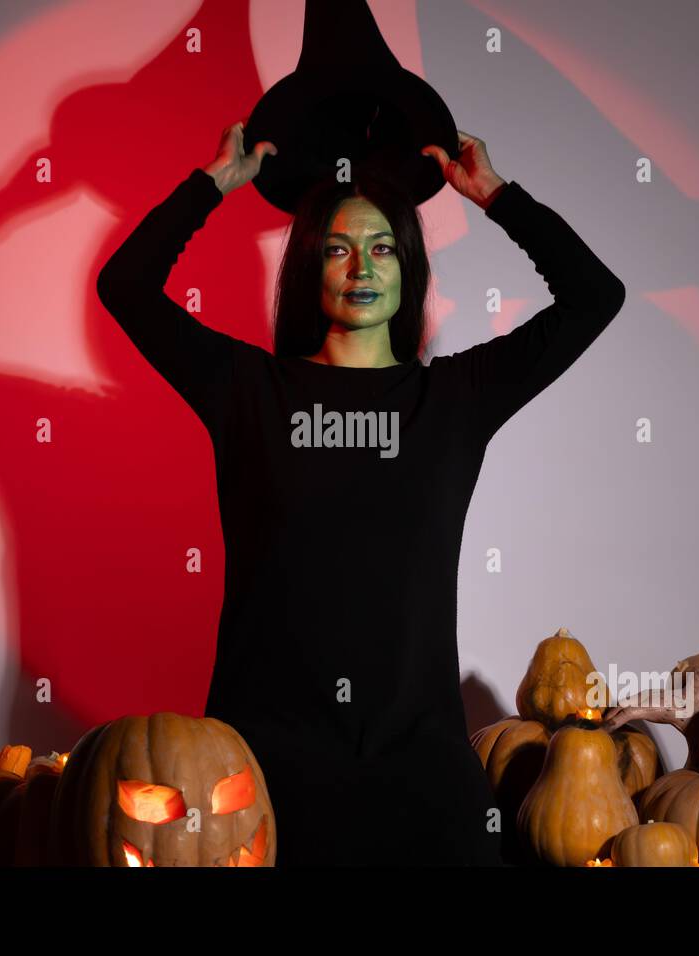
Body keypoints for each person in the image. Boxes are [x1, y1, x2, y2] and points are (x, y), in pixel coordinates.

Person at [95, 119, 626, 866]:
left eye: (383, 248)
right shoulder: (249, 390)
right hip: (262, 767)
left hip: (418, 761)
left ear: (408, 268)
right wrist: (212, 184)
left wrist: (496, 196)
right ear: (311, 266)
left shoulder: (455, 398)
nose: (361, 267)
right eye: (339, 249)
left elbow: (594, 296)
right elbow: (124, 286)